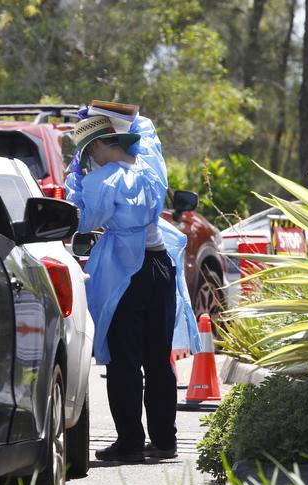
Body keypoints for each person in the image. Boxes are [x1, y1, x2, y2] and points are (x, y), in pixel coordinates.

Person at [66, 114, 190, 463]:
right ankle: (166, 441)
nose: (89, 158)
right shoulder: (151, 170)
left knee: (124, 360)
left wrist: (74, 182)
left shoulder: (101, 180)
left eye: (89, 150)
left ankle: (130, 442)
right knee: (158, 359)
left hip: (126, 271)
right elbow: (147, 129)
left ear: (101, 145)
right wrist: (123, 118)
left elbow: (86, 221)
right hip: (160, 265)